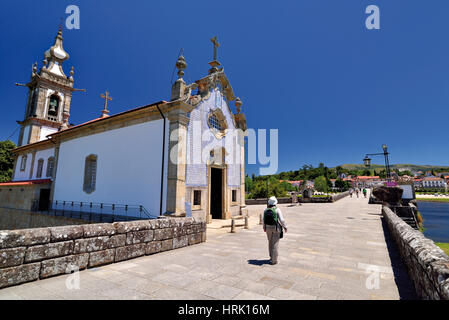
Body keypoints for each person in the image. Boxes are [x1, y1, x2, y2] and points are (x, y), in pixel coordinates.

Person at [263, 196, 287, 265]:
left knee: (270, 242)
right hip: (275, 228)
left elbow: (264, 220)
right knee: (275, 243)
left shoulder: (266, 210)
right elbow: (281, 220)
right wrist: (285, 227)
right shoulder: (277, 209)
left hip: (267, 228)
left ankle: (271, 257)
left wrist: (264, 228)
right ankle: (274, 260)